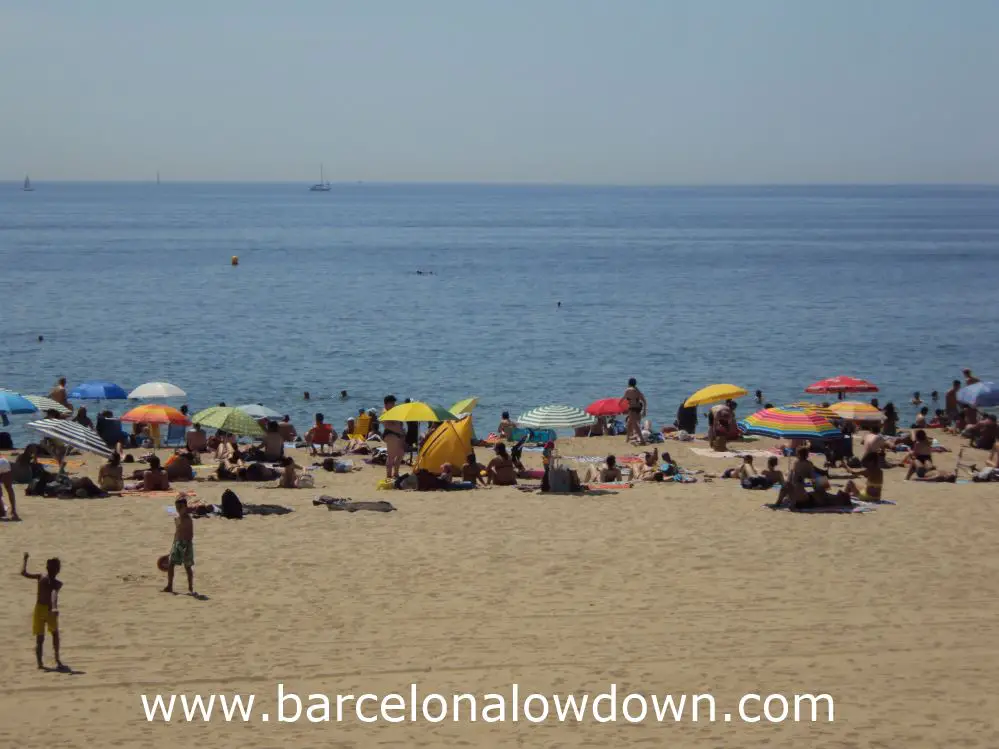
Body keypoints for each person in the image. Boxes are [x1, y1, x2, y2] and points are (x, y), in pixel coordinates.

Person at [22, 553, 63, 669]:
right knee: (45, 636)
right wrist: (25, 561)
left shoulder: (54, 582)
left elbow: (54, 595)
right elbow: (24, 574)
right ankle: (47, 660)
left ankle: (51, 659)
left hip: (45, 609)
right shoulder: (46, 578)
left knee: (49, 636)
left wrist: (54, 607)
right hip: (44, 610)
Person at [164, 496, 195, 594]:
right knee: (171, 564)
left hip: (186, 544)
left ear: (185, 507)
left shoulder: (188, 519)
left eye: (180, 507)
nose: (178, 510)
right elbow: (177, 532)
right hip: (177, 543)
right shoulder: (177, 519)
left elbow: (190, 534)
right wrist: (173, 546)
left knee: (188, 566)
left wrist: (187, 546)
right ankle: (169, 586)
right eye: (177, 507)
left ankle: (190, 587)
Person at [381, 395, 405, 481]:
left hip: (399, 434)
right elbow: (387, 425)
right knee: (391, 456)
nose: (394, 404)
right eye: (392, 403)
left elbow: (399, 423)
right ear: (386, 404)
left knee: (400, 454)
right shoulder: (385, 412)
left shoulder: (394, 411)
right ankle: (388, 475)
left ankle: (396, 473)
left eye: (394, 403)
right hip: (391, 435)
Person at [623, 378, 647, 445]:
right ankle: (627, 438)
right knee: (629, 423)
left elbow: (623, 399)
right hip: (638, 408)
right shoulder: (637, 391)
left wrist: (619, 406)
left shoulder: (628, 390)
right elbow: (644, 401)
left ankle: (642, 440)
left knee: (635, 425)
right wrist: (644, 410)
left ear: (628, 383)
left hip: (632, 409)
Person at [0, 456, 18, 520]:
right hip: (4, 462)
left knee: (8, 488)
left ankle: (12, 511)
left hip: (3, 464)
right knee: (9, 488)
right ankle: (13, 511)